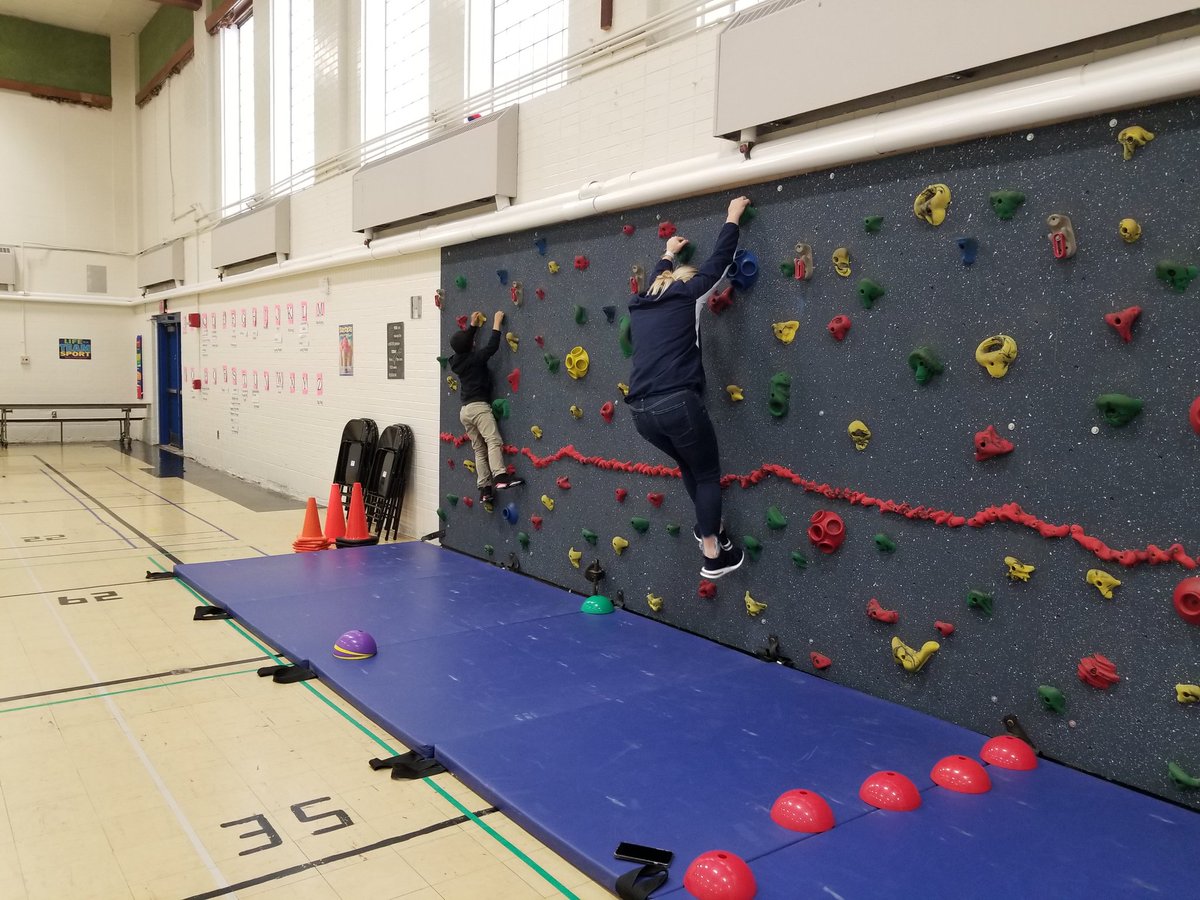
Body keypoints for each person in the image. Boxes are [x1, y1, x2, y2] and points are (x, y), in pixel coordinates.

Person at [625, 195, 751, 579]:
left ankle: (710, 528)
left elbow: (655, 281)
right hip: (676, 402)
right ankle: (712, 551)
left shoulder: (641, 302)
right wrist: (732, 217)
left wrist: (666, 253)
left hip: (642, 414)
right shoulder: (688, 293)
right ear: (686, 282)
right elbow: (718, 263)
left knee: (689, 465)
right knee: (708, 474)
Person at [450, 309, 525, 503]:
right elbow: (491, 347)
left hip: (465, 411)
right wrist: (496, 323)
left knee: (479, 449)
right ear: (470, 347)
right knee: (493, 441)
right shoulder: (475, 359)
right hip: (478, 407)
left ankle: (485, 488)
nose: (473, 342)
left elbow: (465, 341)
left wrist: (473, 326)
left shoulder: (456, 361)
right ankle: (500, 477)